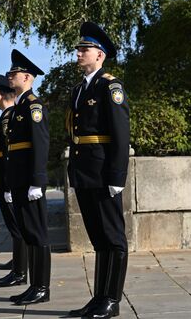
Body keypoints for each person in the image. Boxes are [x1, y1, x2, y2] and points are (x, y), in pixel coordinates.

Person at [66, 22, 130, 319]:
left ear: (100, 55)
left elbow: (120, 135)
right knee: (98, 239)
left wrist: (117, 177)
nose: (79, 53)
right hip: (85, 172)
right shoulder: (80, 89)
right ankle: (99, 297)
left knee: (113, 238)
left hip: (104, 173)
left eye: (85, 49)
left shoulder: (110, 87)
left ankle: (112, 300)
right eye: (79, 49)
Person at [5, 49, 51, 305]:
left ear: (27, 77)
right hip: (19, 180)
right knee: (29, 234)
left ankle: (42, 287)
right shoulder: (20, 107)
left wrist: (37, 181)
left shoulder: (34, 106)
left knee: (38, 235)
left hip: (29, 182)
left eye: (13, 73)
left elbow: (40, 145)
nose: (9, 76)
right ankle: (34, 286)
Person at [0, 74, 28, 288]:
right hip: (5, 179)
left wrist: (7, 185)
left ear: (1, 95)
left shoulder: (8, 117)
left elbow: (8, 155)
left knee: (16, 227)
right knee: (15, 226)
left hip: (8, 180)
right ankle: (18, 264)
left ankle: (20, 271)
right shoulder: (7, 116)